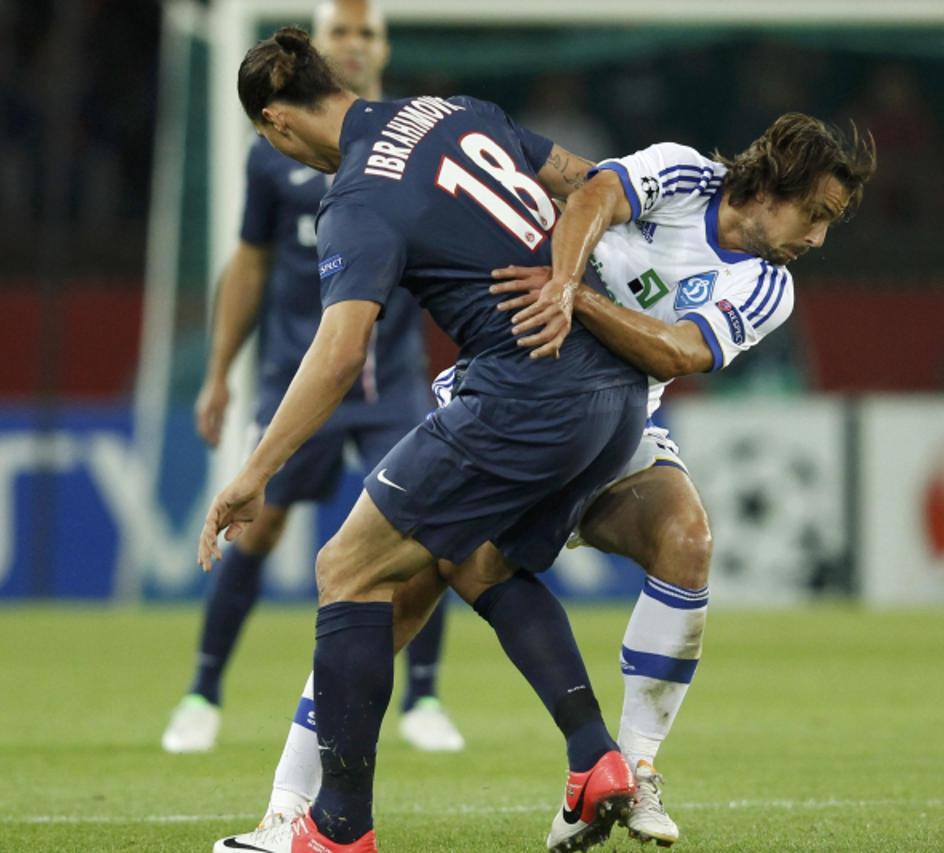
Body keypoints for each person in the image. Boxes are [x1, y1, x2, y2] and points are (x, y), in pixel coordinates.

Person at [214, 112, 877, 852]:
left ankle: (630, 764)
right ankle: (288, 803)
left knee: (685, 538)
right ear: (771, 186)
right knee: (396, 598)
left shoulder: (767, 286)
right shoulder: (685, 172)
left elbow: (681, 353)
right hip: (528, 399)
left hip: (614, 422)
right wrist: (562, 282)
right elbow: (593, 195)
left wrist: (579, 300)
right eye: (815, 214)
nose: (817, 239)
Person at [200, 25, 649, 853]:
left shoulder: (358, 196)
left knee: (345, 567)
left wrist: (253, 471)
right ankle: (596, 757)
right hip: (618, 385)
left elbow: (338, 355)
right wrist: (569, 283)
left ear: (276, 124)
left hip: (525, 395)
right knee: (476, 558)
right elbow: (593, 183)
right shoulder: (456, 108)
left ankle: (335, 829)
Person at [162, 1, 464, 760]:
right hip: (299, 375)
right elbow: (252, 263)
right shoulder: (276, 153)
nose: (355, 45)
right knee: (254, 525)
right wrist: (218, 373)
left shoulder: (414, 142)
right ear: (319, 50)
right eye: (341, 33)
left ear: (383, 46)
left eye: (368, 33)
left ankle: (423, 698)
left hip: (391, 383)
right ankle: (202, 691)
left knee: (432, 535)